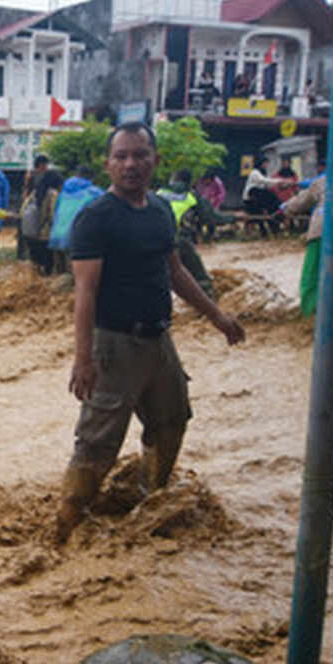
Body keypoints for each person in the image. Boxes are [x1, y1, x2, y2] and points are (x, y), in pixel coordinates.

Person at [57, 122, 246, 544]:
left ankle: (148, 504)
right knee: (98, 442)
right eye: (121, 156)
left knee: (172, 421)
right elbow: (84, 291)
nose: (130, 164)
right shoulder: (96, 218)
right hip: (114, 345)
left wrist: (217, 316)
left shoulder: (161, 210)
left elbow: (175, 272)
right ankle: (65, 528)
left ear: (155, 161)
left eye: (140, 154)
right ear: (108, 164)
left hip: (159, 340)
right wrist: (83, 359)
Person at [157, 169, 233, 299]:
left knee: (159, 278)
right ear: (189, 182)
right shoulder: (192, 196)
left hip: (155, 241)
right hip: (180, 241)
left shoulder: (158, 193)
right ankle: (209, 309)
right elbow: (211, 218)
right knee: (200, 278)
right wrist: (233, 218)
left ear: (173, 179)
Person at [280, 170, 327, 317]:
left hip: (322, 231)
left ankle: (309, 315)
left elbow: (302, 201)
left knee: (311, 277)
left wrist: (283, 209)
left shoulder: (327, 179)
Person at [48, 165, 103, 265]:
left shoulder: (63, 192)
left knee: (63, 273)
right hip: (77, 238)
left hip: (57, 236)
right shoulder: (95, 193)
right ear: (91, 178)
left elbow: (55, 212)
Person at [20, 169, 63, 275]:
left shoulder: (34, 192)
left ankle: (34, 284)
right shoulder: (52, 194)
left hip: (30, 233)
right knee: (48, 264)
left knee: (35, 264)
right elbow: (53, 215)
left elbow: (23, 210)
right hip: (44, 234)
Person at [242, 156, 289, 237]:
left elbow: (267, 183)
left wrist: (279, 183)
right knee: (268, 198)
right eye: (265, 163)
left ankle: (274, 229)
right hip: (251, 198)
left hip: (258, 197)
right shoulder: (255, 173)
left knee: (271, 204)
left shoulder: (262, 172)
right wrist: (279, 181)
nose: (266, 165)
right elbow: (263, 181)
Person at [18, 154, 49, 260]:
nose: (46, 167)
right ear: (41, 165)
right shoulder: (35, 176)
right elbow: (26, 191)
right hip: (35, 207)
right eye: (45, 165)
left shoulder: (35, 175)